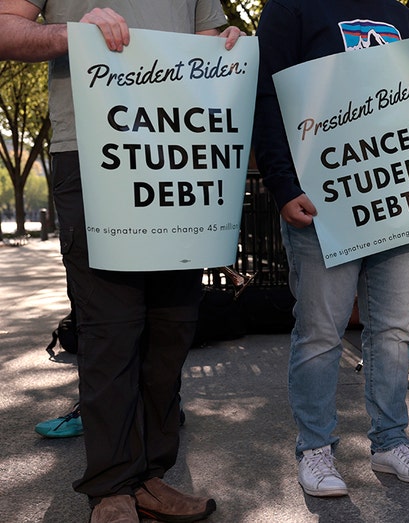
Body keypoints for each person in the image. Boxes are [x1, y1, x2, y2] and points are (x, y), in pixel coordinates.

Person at [0, 2, 240, 522]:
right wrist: (73, 34)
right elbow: (5, 28)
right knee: (110, 329)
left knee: (171, 329)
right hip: (94, 148)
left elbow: (211, 38)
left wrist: (232, 44)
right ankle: (111, 489)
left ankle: (151, 477)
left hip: (180, 145)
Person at [252, 0, 409, 498]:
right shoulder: (288, 9)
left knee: (393, 332)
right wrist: (281, 185)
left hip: (401, 196)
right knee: (321, 332)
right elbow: (265, 96)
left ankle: (389, 441)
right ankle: (315, 449)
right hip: (322, 201)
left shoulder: (401, 15)